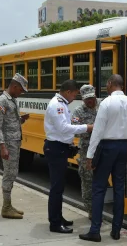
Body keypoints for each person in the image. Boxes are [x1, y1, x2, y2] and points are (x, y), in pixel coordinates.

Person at [79, 74, 127, 242]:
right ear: (122, 86)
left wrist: (89, 155)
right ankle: (116, 230)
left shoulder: (106, 103)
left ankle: (95, 230)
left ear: (110, 84)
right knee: (119, 189)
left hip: (106, 147)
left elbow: (97, 131)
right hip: (123, 147)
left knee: (98, 188)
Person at [72, 84, 127, 221]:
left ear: (95, 95)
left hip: (107, 148)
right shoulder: (78, 112)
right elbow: (75, 130)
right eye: (86, 99)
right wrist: (90, 128)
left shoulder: (104, 105)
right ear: (82, 99)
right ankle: (92, 211)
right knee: (88, 181)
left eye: (91, 98)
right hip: (88, 150)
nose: (90, 101)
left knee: (124, 176)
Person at [43, 79, 93, 234]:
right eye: (75, 94)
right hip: (56, 148)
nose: (75, 98)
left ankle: (58, 217)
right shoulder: (58, 105)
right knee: (57, 188)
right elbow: (63, 128)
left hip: (60, 148)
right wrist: (87, 127)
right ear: (68, 92)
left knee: (60, 186)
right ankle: (55, 223)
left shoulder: (62, 103)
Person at [0, 73, 30, 219]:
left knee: (13, 173)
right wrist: (2, 146)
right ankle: (6, 207)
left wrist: (21, 120)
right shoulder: (2, 101)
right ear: (14, 86)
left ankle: (8, 205)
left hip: (14, 142)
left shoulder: (12, 100)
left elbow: (10, 122)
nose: (21, 93)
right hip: (8, 143)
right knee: (9, 174)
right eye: (21, 90)